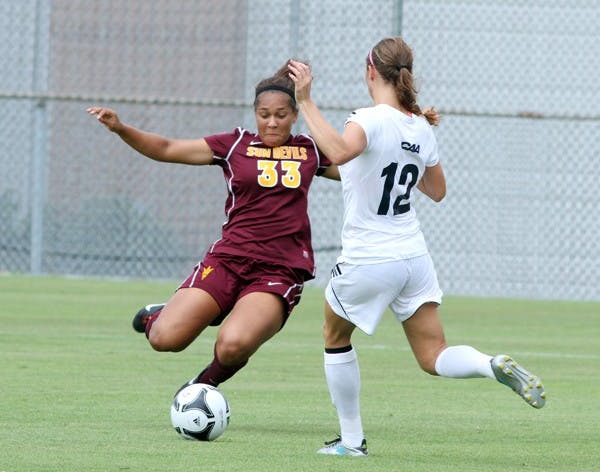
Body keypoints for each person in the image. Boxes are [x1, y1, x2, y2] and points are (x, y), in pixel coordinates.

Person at [288, 37, 546, 457]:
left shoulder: (367, 119)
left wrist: (305, 101)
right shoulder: (419, 126)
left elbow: (338, 149)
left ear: (370, 71)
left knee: (334, 337)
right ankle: (489, 363)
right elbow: (436, 190)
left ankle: (352, 443)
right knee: (433, 355)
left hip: (370, 257)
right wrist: (396, 161)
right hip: (413, 257)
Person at [87, 61, 339, 394]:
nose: (272, 122)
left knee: (232, 344)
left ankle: (202, 387)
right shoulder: (235, 145)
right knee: (165, 339)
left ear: (294, 115)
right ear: (255, 113)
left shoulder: (310, 150)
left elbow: (358, 170)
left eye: (281, 115)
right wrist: (121, 128)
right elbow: (166, 149)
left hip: (279, 269)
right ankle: (159, 316)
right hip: (228, 260)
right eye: (264, 114)